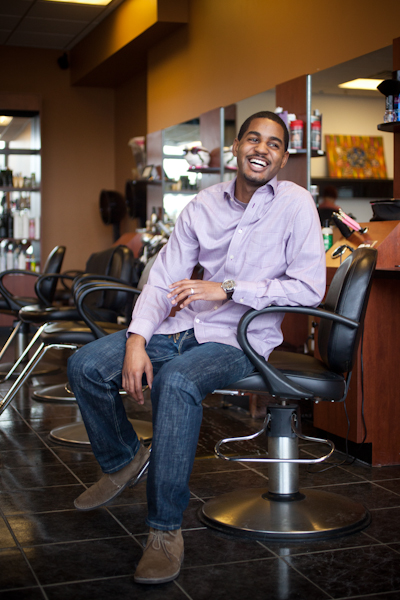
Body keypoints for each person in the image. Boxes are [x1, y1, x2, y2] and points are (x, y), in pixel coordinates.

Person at [67, 110, 326, 585]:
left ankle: (165, 531)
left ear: (283, 158)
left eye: (273, 144)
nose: (261, 149)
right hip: (181, 324)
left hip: (241, 336)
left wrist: (228, 288)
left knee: (177, 381)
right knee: (85, 365)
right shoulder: (203, 205)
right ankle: (124, 459)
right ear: (236, 148)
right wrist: (137, 338)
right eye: (253, 139)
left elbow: (309, 288)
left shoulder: (296, 204)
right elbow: (163, 279)